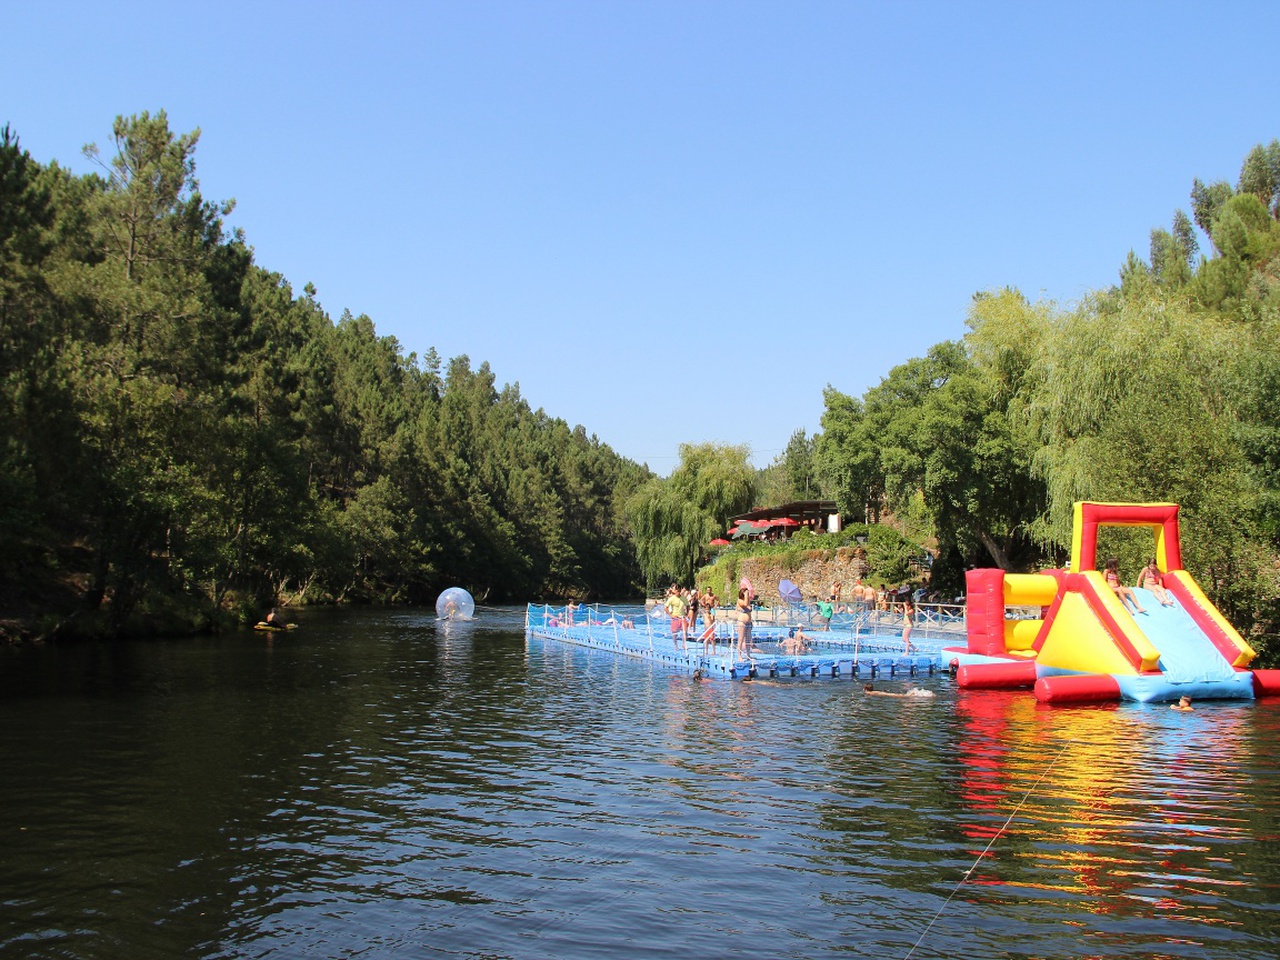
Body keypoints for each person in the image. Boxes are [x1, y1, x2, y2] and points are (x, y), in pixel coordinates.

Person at [734, 586, 753, 659]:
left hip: (748, 622)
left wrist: (747, 597)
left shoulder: (747, 600)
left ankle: (748, 655)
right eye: (746, 593)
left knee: (748, 639)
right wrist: (746, 595)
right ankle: (739, 656)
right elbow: (745, 605)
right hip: (742, 622)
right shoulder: (740, 600)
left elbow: (748, 607)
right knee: (741, 639)